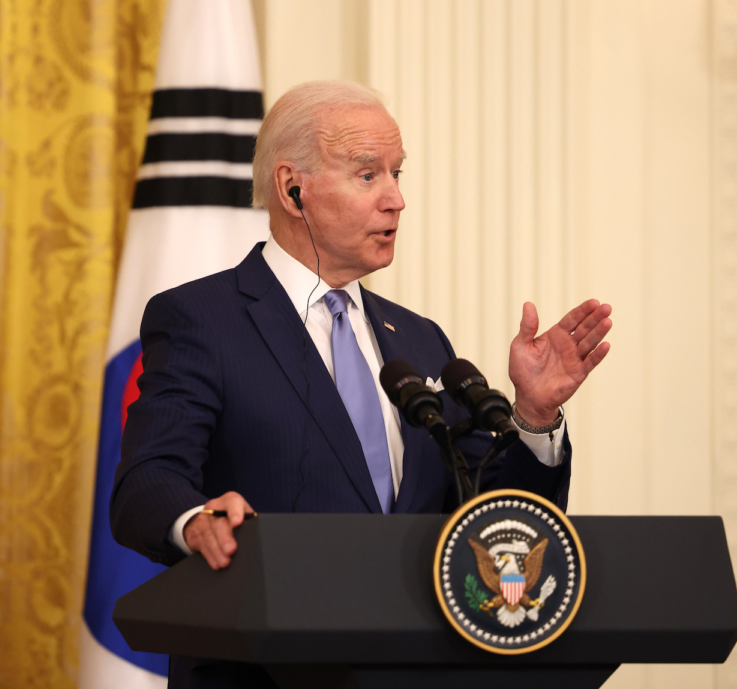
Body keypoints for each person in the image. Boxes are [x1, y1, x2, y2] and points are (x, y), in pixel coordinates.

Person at [110, 80, 611, 688]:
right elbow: (146, 482)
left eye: (398, 174)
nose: (397, 199)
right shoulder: (203, 319)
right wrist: (195, 521)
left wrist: (531, 416)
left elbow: (491, 514)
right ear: (293, 189)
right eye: (368, 175)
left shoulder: (420, 341)